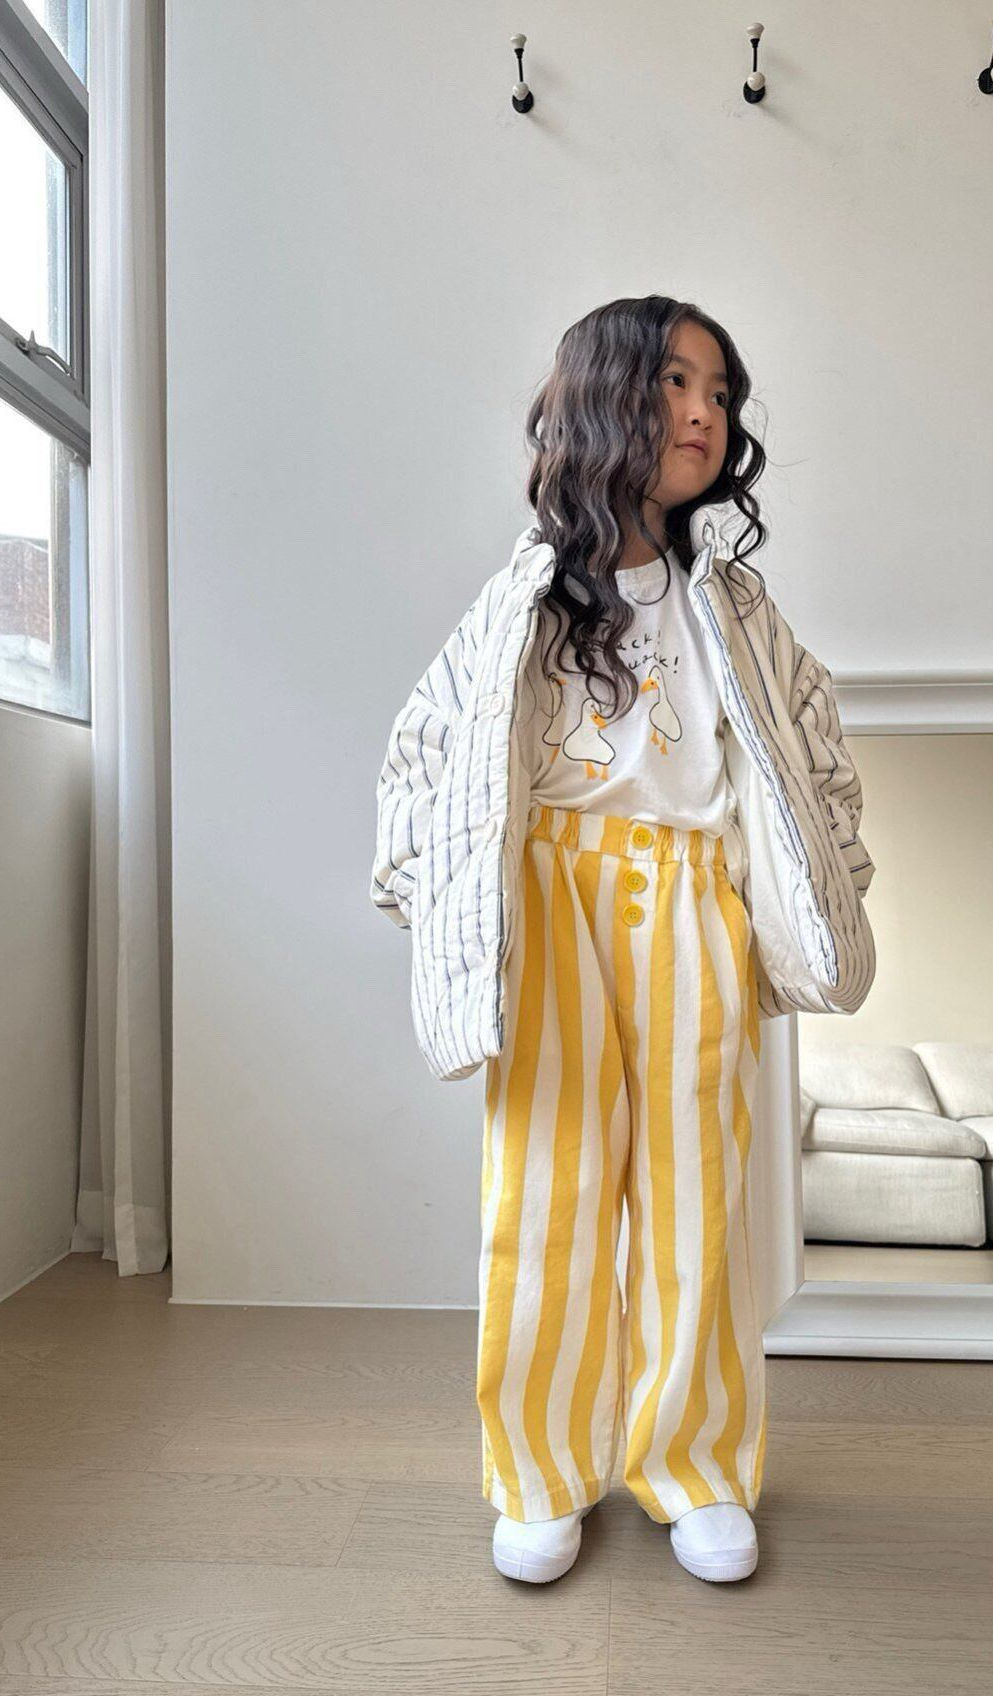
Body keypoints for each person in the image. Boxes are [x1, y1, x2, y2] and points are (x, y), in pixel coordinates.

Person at [370, 296, 876, 1586]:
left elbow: (814, 753)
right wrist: (439, 906)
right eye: (673, 383)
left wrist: (828, 879)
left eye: (720, 392)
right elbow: (429, 756)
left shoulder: (737, 607)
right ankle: (541, 1471)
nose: (704, 413)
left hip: (695, 901)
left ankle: (694, 1465)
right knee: (545, 1190)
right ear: (604, 398)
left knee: (700, 1193)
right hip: (552, 900)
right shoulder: (522, 602)